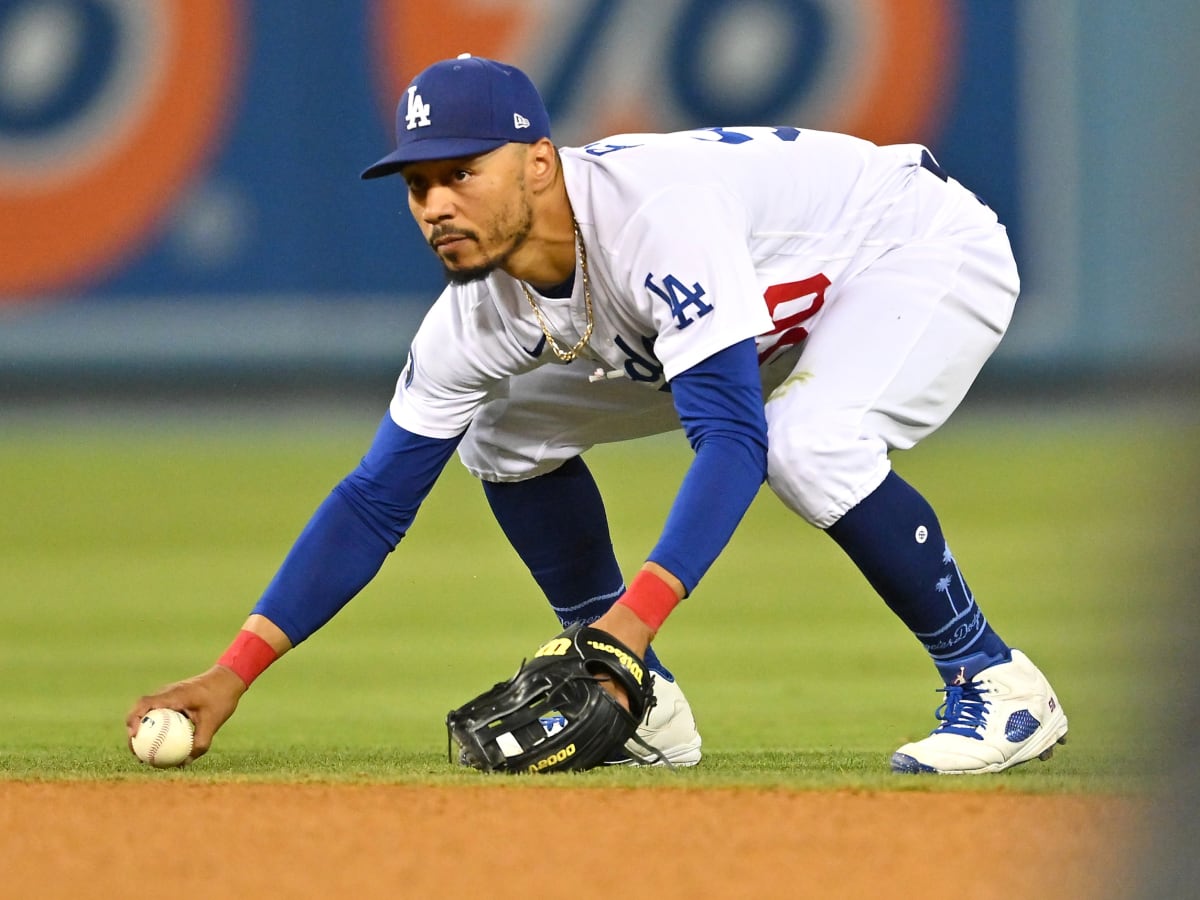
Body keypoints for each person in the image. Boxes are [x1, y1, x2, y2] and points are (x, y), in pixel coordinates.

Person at [128, 54, 1067, 774]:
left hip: (910, 246)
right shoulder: (473, 318)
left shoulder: (657, 218)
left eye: (463, 173)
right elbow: (376, 501)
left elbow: (732, 439)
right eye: (420, 185)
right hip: (774, 298)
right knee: (501, 434)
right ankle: (640, 699)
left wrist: (639, 614)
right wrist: (233, 670)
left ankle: (995, 682)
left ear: (540, 162)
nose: (438, 205)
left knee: (807, 443)